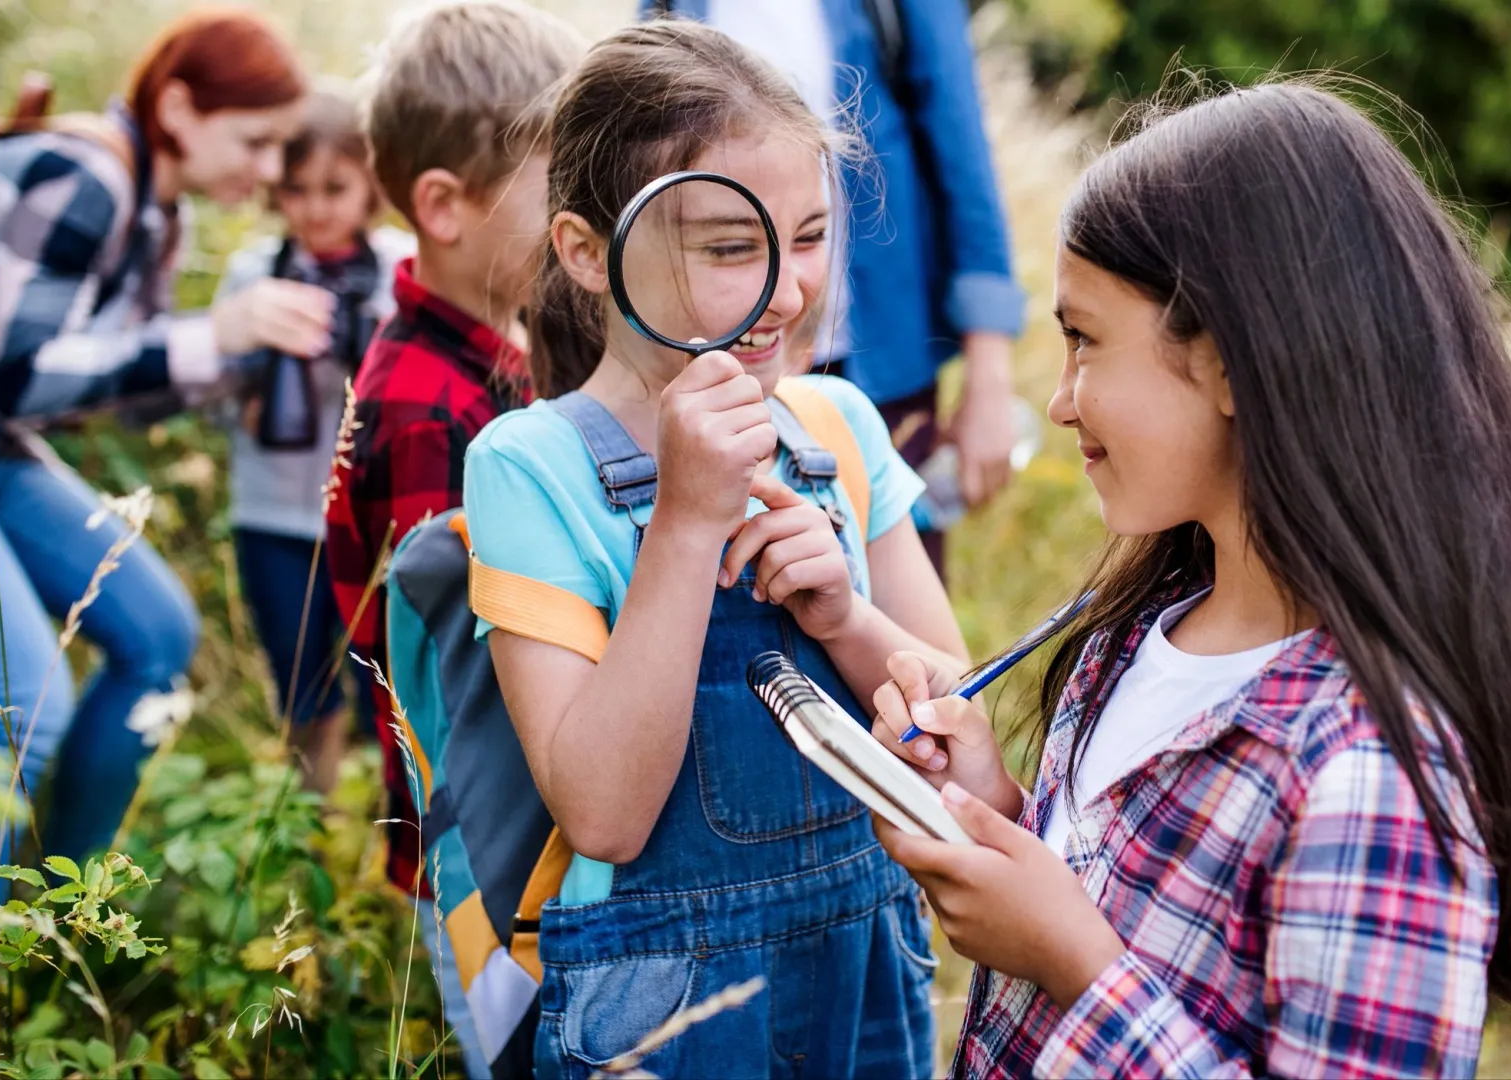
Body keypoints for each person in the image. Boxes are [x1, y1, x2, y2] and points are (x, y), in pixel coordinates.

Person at [869, 82, 1511, 1077]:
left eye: (1084, 340)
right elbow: (1141, 899)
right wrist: (993, 811)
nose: (1057, 400)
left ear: (1223, 359)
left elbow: (1102, 952)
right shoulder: (1138, 631)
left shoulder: (1371, 773)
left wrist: (1077, 968)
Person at [466, 21, 968, 1078]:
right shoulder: (529, 466)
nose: (787, 292)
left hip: (866, 981)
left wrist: (845, 617)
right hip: (661, 1017)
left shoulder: (838, 428)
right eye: (734, 247)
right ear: (585, 254)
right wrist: (687, 525)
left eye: (815, 235)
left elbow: (957, 740)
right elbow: (603, 813)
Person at [0, 10, 318, 871]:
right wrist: (210, 335)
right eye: (257, 142)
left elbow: (104, 390)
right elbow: (27, 377)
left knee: (157, 631)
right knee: (15, 694)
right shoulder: (87, 175)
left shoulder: (159, 219)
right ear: (183, 108)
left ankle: (57, 908)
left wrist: (241, 364)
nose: (268, 171)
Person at [322, 4, 582, 1076]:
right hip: (488, 854)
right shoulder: (430, 411)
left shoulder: (480, 358)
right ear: (444, 206)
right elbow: (458, 673)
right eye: (555, 189)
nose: (582, 219)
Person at [646, 0, 1026, 575]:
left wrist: (990, 372)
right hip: (724, 356)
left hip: (880, 362)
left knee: (895, 591)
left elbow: (959, 139)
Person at [210, 90, 412, 794]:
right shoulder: (254, 274)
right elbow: (209, 395)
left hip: (371, 516)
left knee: (387, 692)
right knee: (301, 684)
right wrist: (255, 387)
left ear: (370, 187)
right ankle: (307, 830)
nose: (317, 209)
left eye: (336, 188)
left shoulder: (397, 269)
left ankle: (394, 837)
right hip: (272, 513)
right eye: (295, 191)